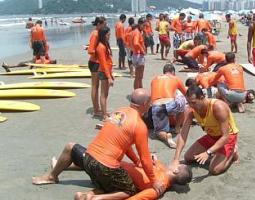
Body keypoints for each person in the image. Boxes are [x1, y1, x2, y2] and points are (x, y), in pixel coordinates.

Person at [32, 89, 166, 199]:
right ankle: (94, 198)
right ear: (145, 104)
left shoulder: (119, 112)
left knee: (71, 147)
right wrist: (154, 181)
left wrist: (135, 160)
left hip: (88, 159)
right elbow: (146, 158)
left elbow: (125, 145)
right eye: (149, 103)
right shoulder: (139, 125)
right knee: (129, 190)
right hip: (105, 167)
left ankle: (51, 176)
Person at [34, 144, 191, 200]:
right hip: (111, 171)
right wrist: (152, 158)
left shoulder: (159, 187)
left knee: (71, 147)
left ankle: (52, 176)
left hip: (109, 171)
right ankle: (86, 193)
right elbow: (153, 161)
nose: (174, 162)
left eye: (176, 164)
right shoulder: (163, 171)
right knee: (97, 162)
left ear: (176, 170)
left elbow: (134, 197)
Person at [172, 85, 239, 175]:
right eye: (188, 103)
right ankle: (217, 156)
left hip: (227, 137)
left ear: (202, 97)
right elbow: (183, 134)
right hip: (212, 136)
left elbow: (225, 137)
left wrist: (208, 152)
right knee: (188, 157)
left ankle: (232, 153)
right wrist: (176, 159)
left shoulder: (218, 107)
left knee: (214, 170)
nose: (191, 105)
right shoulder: (191, 110)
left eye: (193, 102)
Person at [150, 64, 187, 148]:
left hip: (158, 105)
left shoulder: (154, 79)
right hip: (172, 104)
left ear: (163, 72)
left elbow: (151, 98)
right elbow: (186, 94)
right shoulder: (176, 78)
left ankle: (166, 135)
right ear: (173, 72)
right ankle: (177, 128)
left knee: (159, 132)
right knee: (181, 98)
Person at [88, 16, 107, 117]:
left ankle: (97, 108)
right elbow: (90, 50)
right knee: (95, 86)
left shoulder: (97, 33)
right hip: (94, 63)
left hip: (96, 62)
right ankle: (96, 109)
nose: (106, 26)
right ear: (99, 24)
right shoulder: (95, 34)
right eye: (104, 24)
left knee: (97, 86)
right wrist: (99, 53)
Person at [97, 26, 114, 121]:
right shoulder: (101, 47)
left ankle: (104, 111)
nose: (109, 36)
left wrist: (111, 73)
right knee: (103, 94)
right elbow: (103, 63)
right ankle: (104, 116)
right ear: (103, 35)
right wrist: (109, 77)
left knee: (106, 94)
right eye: (108, 35)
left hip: (107, 71)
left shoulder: (105, 44)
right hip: (103, 72)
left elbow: (108, 61)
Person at [130, 18, 146, 89]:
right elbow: (136, 43)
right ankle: (137, 92)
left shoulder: (134, 31)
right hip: (138, 55)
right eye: (144, 25)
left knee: (138, 76)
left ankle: (140, 90)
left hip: (135, 54)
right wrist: (142, 49)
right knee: (139, 76)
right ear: (140, 24)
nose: (144, 27)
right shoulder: (137, 32)